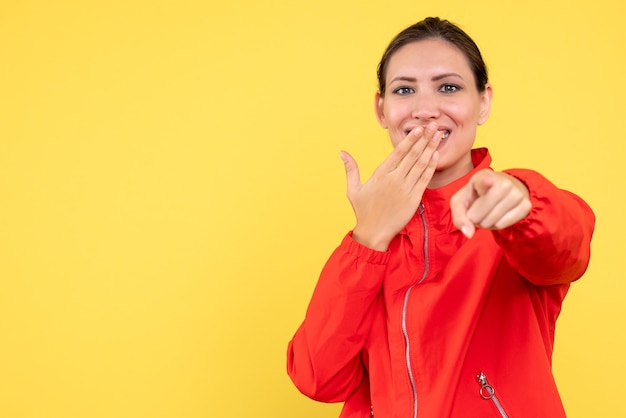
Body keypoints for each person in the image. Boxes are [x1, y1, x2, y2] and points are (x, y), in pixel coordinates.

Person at [286, 17, 595, 418]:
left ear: (483, 102)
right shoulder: (371, 244)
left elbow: (568, 246)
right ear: (381, 109)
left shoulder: (512, 219)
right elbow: (318, 379)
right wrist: (367, 239)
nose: (425, 109)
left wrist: (522, 202)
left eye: (448, 87)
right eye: (404, 90)